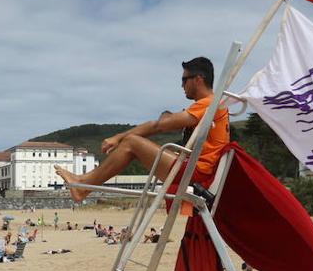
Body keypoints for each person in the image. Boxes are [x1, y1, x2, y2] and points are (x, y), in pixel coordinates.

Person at [54, 57, 229, 201]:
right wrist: (167, 118)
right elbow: (162, 123)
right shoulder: (210, 106)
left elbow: (159, 126)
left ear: (198, 79)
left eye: (184, 80)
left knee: (131, 143)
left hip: (197, 173)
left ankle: (83, 187)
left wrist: (118, 137)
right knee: (132, 145)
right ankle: (83, 184)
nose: (181, 85)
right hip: (198, 170)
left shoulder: (208, 104)